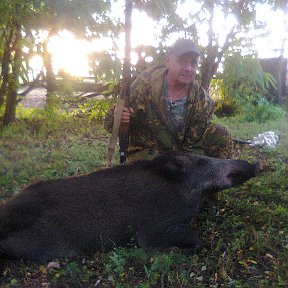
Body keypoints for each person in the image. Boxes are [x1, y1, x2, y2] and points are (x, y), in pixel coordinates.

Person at [104, 38, 233, 162]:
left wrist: (185, 166)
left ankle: (213, 179)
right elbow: (110, 123)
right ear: (168, 61)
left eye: (193, 63)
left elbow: (194, 143)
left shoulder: (202, 100)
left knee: (221, 133)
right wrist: (119, 117)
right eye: (182, 61)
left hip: (182, 156)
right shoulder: (144, 84)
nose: (188, 68)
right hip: (147, 155)